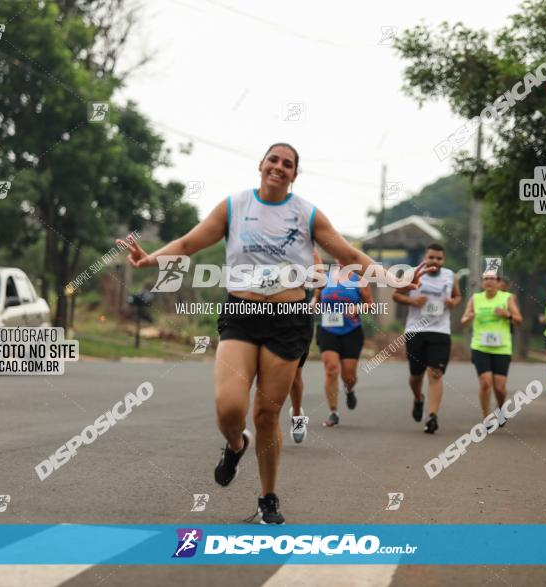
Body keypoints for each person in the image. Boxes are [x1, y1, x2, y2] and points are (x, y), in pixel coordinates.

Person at [119, 143, 411, 524]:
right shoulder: (234, 206)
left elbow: (350, 255)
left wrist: (397, 279)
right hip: (242, 314)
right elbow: (190, 243)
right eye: (273, 160)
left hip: (288, 319)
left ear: (294, 174)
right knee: (229, 407)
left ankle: (267, 497)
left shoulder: (306, 214)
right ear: (261, 165)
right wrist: (150, 258)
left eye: (288, 164)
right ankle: (235, 445)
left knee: (266, 413)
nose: (279, 167)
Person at [393, 244, 461, 433]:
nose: (435, 262)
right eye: (431, 257)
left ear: (443, 260)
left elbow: (457, 297)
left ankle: (432, 416)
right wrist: (413, 301)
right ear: (425, 257)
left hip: (440, 331)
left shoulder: (451, 276)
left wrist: (452, 302)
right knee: (416, 376)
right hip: (416, 330)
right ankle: (418, 398)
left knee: (435, 373)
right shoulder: (412, 274)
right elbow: (396, 295)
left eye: (439, 258)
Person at [315, 258, 373, 427]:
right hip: (328, 330)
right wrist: (313, 305)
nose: (341, 260)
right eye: (338, 256)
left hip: (351, 332)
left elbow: (370, 304)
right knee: (331, 370)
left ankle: (349, 389)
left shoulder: (359, 279)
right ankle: (333, 412)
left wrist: (357, 308)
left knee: (349, 376)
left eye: (345, 256)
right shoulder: (324, 277)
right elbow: (317, 299)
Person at [461, 271, 522, 425]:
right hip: (480, 346)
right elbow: (463, 320)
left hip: (501, 348)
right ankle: (486, 417)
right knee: (486, 382)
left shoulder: (506, 298)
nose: (488, 282)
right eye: (486, 279)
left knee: (500, 387)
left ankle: (501, 409)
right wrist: (468, 318)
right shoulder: (476, 299)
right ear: (482, 282)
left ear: (498, 282)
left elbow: (519, 320)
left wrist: (507, 315)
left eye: (492, 279)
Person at [288, 249, 323, 444]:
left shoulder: (308, 249)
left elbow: (320, 279)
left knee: (294, 375)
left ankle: (297, 416)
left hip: (297, 317)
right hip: (263, 314)